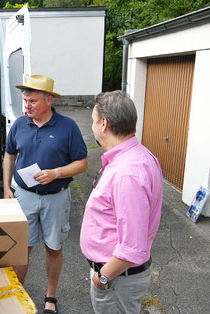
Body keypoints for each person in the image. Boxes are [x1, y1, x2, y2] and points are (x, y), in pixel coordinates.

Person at [3, 74, 88, 314]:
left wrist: (56, 173)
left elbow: (82, 163)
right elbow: (9, 156)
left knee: (54, 247)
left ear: (49, 100)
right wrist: (6, 188)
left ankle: (51, 295)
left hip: (56, 197)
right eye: (25, 100)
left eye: (32, 101)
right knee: (21, 248)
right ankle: (16, 293)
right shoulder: (20, 124)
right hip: (24, 195)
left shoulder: (67, 126)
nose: (27, 106)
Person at [80, 91, 163, 313]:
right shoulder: (135, 156)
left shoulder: (128, 172)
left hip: (116, 279)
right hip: (117, 277)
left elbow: (131, 247)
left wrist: (102, 278)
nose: (93, 126)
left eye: (93, 121)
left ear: (104, 124)